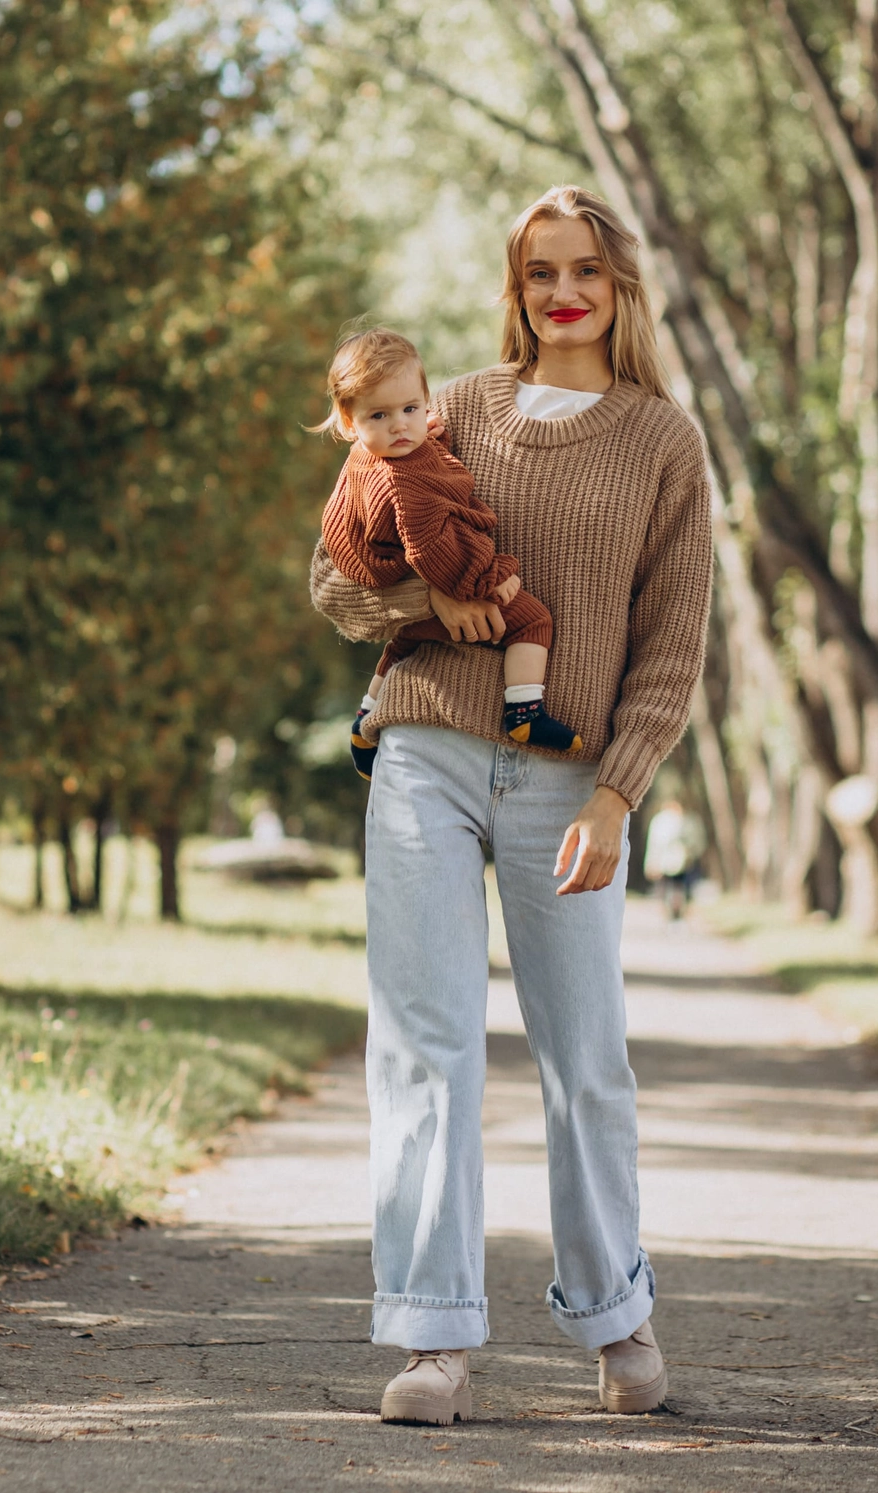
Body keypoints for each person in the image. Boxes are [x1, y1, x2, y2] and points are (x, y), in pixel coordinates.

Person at [307, 185, 711, 1425]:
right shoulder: (448, 409)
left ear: (619, 281)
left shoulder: (661, 440)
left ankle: (613, 1311)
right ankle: (430, 1337)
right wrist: (431, 613)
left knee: (584, 1059)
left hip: (563, 778)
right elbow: (337, 578)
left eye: (584, 268)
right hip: (426, 747)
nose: (562, 291)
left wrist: (616, 790)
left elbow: (669, 642)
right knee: (423, 1051)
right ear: (516, 284)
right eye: (540, 271)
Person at [314, 327, 582, 780]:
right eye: (380, 415)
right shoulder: (405, 481)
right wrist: (489, 577)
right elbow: (435, 548)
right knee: (533, 620)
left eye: (411, 409)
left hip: (386, 576)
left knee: (409, 638)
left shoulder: (370, 456)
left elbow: (413, 475)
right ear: (347, 421)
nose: (400, 425)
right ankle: (524, 713)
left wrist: (429, 440)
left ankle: (364, 720)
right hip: (434, 579)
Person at [642, 798, 702, 920]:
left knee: (683, 890)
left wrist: (692, 853)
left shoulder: (689, 819)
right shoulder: (661, 821)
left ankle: (679, 916)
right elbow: (655, 844)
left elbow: (698, 842)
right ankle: (670, 916)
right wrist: (652, 862)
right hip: (666, 863)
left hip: (683, 862)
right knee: (666, 891)